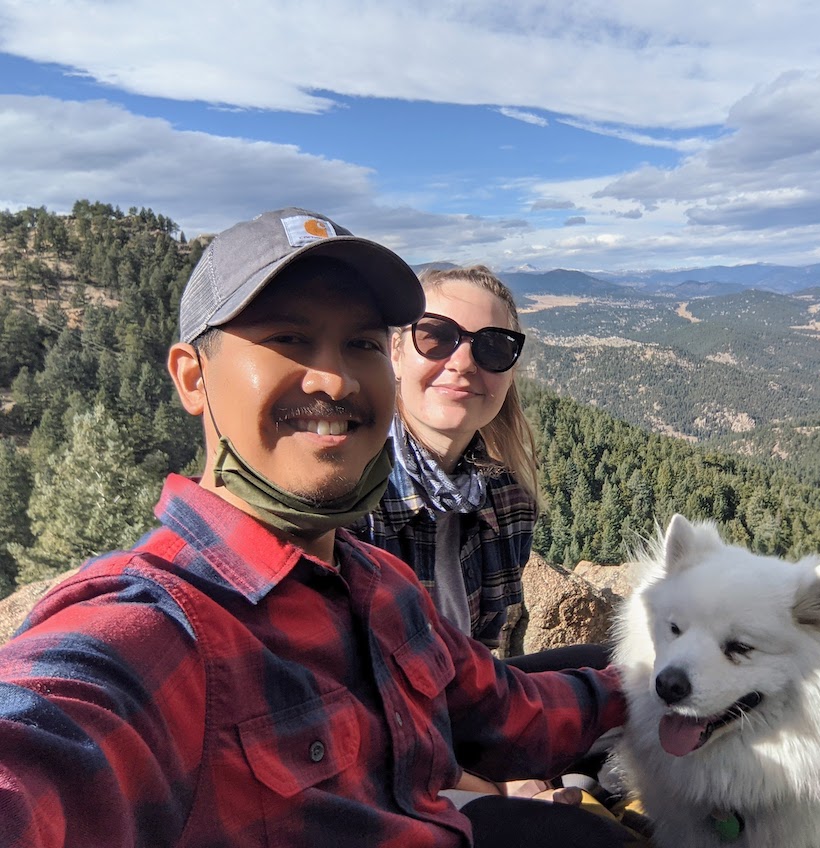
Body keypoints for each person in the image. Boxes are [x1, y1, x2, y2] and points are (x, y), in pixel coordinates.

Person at [0, 208, 638, 847]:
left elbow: (504, 712)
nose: (333, 378)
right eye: (288, 339)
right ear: (193, 379)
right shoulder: (158, 628)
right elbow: (41, 739)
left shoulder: (379, 585)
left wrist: (681, 680)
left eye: (358, 343)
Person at [354, 265, 608, 671]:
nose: (463, 363)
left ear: (508, 375)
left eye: (492, 347)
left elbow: (484, 650)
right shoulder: (349, 496)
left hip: (461, 695)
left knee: (611, 669)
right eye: (435, 336)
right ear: (396, 353)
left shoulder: (509, 501)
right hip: (378, 717)